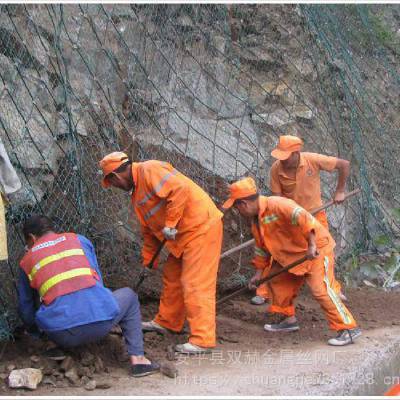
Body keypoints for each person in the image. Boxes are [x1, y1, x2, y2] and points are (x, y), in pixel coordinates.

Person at [99, 152, 223, 354]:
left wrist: (171, 223)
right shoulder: (137, 194)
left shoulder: (149, 169)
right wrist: (149, 262)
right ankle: (168, 322)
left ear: (116, 176)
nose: (115, 187)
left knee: (195, 283)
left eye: (112, 182)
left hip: (200, 227)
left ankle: (203, 339)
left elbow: (179, 189)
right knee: (172, 277)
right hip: (182, 235)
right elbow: (149, 230)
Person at [222, 177, 361, 346]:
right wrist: (258, 274)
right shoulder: (256, 222)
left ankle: (348, 328)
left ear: (243, 204)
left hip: (316, 250)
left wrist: (311, 245)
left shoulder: (279, 205)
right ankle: (288, 320)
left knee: (321, 290)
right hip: (291, 256)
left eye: (237, 207)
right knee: (277, 280)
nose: (238, 212)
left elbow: (306, 220)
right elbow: (261, 250)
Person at [17, 215, 159, 377]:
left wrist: (35, 334)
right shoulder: (79, 240)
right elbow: (97, 281)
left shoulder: (27, 260)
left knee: (40, 304)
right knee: (130, 296)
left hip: (62, 334)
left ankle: (53, 347)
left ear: (32, 238)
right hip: (102, 323)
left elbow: (26, 307)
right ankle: (138, 361)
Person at [251, 135, 349, 306]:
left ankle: (333, 289)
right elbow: (277, 199)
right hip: (292, 220)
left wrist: (340, 191)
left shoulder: (312, 160)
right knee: (278, 252)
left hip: (315, 218)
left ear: (296, 153)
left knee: (325, 253)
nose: (282, 160)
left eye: (285, 156)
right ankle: (264, 290)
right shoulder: (276, 169)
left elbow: (344, 164)